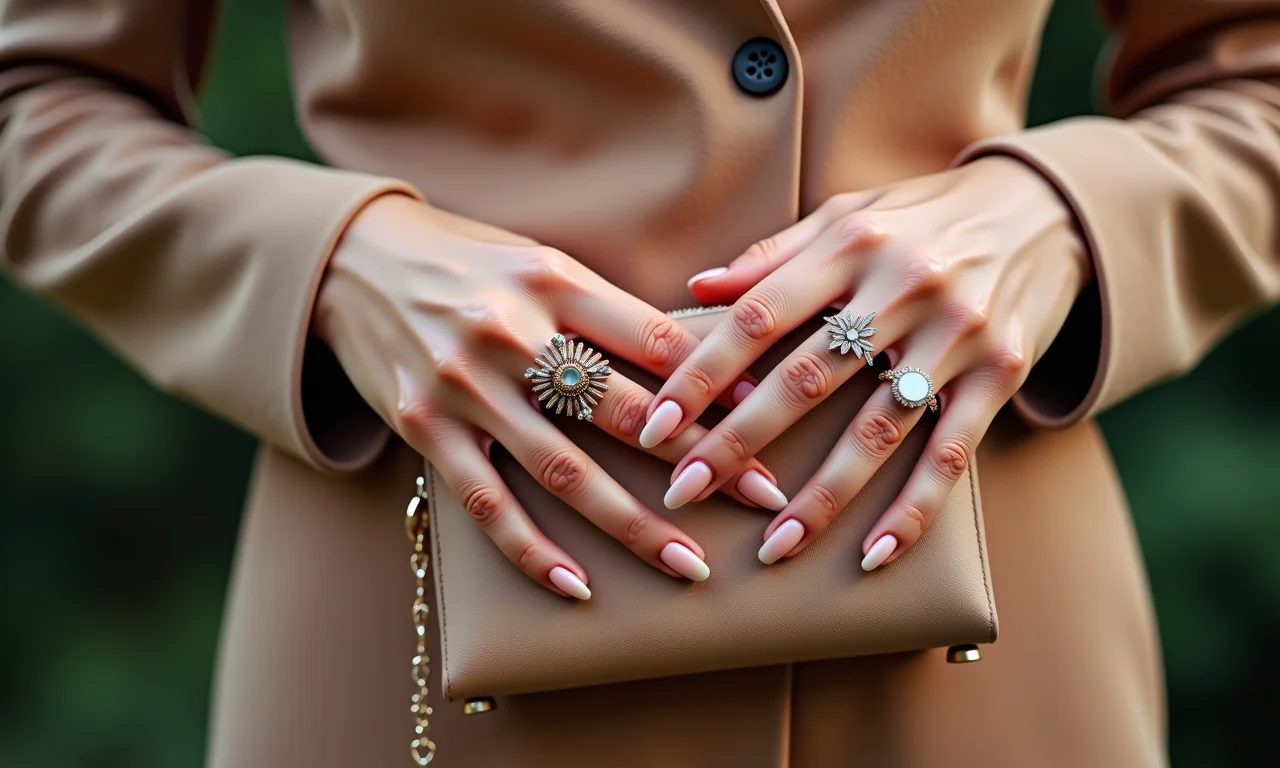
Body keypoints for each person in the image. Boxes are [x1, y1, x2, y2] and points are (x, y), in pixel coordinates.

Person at [2, 0, 1277, 765]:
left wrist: (1052, 217)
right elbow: (36, 100)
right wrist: (333, 263)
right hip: (424, 619)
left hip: (970, 642)